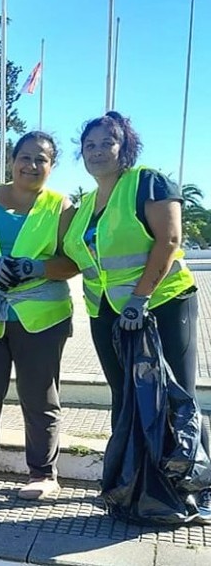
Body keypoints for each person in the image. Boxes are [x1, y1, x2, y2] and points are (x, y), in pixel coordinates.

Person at [62, 111, 209, 522]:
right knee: (128, 401)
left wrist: (141, 298)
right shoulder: (88, 202)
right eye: (89, 146)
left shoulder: (148, 182)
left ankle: (197, 488)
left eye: (105, 143)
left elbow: (170, 239)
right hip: (106, 313)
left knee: (176, 398)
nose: (96, 152)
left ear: (124, 146)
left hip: (160, 304)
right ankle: (136, 489)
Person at [0, 132, 76, 499]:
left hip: (42, 320)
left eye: (41, 159)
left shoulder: (62, 207)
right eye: (25, 157)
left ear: (52, 166)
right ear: (12, 159)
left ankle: (42, 472)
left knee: (39, 395)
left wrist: (34, 267)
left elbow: (72, 262)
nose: (32, 165)